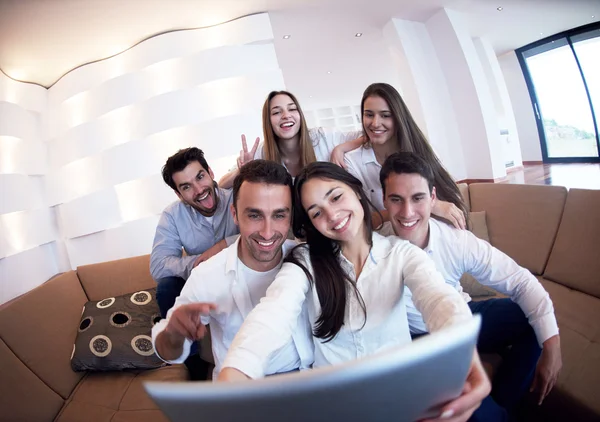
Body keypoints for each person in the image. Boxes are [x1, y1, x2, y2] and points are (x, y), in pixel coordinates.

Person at [218, 162, 490, 422]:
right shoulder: (305, 262)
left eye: (336, 197)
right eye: (316, 212)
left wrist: (463, 346)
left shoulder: (401, 254)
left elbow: (437, 298)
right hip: (336, 407)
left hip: (400, 399)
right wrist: (236, 372)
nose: (331, 215)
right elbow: (272, 315)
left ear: (357, 192)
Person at [379, 151, 562, 418]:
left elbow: (521, 282)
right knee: (477, 412)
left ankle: (505, 404)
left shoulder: (456, 241)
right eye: (396, 200)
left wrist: (552, 345)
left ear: (432, 197)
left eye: (417, 198)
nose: (407, 212)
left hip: (463, 318)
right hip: (419, 341)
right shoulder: (375, 249)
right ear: (384, 200)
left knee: (530, 317)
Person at [152, 160, 313, 379]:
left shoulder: (307, 259)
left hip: (309, 380)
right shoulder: (207, 275)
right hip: (242, 392)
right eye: (254, 215)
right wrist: (173, 335)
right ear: (235, 215)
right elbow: (169, 351)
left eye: (278, 215)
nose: (267, 233)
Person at [344, 82, 467, 230]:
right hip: (386, 241)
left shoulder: (422, 151)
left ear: (398, 117)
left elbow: (449, 204)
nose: (375, 123)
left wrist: (434, 205)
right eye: (369, 114)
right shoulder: (352, 162)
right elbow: (361, 221)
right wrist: (427, 206)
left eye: (385, 115)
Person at [150, 147, 239, 318]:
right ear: (179, 194)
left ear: (210, 172)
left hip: (240, 278)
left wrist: (223, 246)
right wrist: (204, 262)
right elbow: (158, 266)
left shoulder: (237, 197)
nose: (199, 190)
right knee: (167, 287)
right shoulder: (172, 215)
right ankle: (186, 345)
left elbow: (258, 235)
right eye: (186, 187)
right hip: (202, 284)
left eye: (200, 177)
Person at [218, 90, 364, 187]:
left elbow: (368, 135)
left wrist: (341, 148)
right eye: (276, 112)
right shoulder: (262, 153)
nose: (286, 115)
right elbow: (221, 184)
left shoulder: (322, 137)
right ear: (268, 121)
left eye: (292, 109)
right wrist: (243, 170)